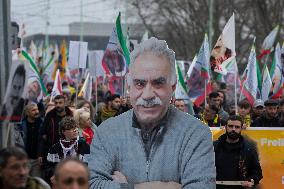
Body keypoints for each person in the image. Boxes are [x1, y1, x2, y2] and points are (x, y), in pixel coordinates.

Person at [88, 37, 215, 188]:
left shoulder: (196, 134)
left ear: (173, 86)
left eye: (158, 83)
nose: (148, 94)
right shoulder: (107, 132)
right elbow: (92, 185)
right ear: (129, 86)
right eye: (140, 83)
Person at [214, 115, 263, 189]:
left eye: (237, 127)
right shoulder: (214, 147)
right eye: (230, 126)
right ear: (225, 127)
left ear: (241, 128)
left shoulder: (249, 149)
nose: (233, 129)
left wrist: (251, 181)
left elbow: (257, 172)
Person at [46, 117, 90, 183]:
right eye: (70, 128)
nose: (75, 130)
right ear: (63, 132)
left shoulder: (84, 145)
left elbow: (91, 165)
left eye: (75, 127)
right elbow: (49, 168)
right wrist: (55, 174)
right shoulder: (54, 148)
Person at [39, 95, 73, 177]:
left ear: (65, 103)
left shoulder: (71, 116)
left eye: (60, 103)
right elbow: (42, 135)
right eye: (56, 103)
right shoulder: (49, 116)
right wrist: (40, 153)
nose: (58, 105)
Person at [15, 102, 43, 177]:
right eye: (33, 110)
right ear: (27, 113)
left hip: (37, 160)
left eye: (37, 109)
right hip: (25, 159)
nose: (37, 112)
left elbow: (43, 141)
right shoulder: (20, 125)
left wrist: (41, 154)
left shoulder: (42, 123)